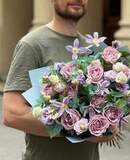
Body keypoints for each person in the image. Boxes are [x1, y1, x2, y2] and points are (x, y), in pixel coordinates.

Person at [2, 0, 101, 160]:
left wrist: (109, 125)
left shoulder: (92, 50)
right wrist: (81, 129)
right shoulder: (32, 45)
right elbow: (13, 114)